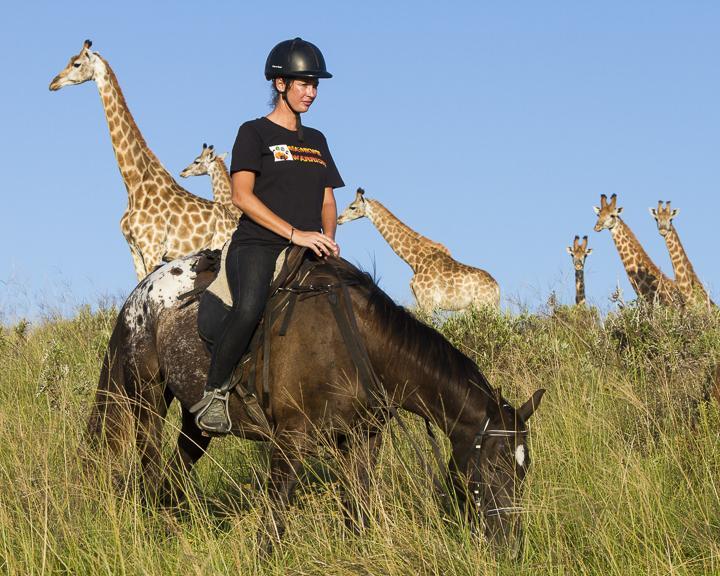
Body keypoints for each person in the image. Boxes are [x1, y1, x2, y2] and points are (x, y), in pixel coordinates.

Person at [191, 38, 344, 433]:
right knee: (249, 306)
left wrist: (327, 237)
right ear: (280, 83)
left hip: (309, 247)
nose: (311, 92)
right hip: (258, 244)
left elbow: (328, 200)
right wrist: (296, 234)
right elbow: (241, 195)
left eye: (315, 85)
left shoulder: (318, 141)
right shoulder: (253, 133)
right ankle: (216, 392)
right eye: (303, 83)